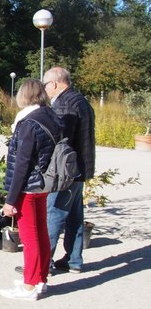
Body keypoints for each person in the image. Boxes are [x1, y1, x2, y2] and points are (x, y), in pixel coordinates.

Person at [0, 79, 63, 300]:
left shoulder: (28, 123)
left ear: (24, 95)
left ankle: (29, 286)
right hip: (43, 183)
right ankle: (40, 279)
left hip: (28, 186)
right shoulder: (50, 116)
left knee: (30, 237)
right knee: (41, 233)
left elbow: (22, 164)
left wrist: (10, 199)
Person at [41, 67, 96, 273]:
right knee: (74, 216)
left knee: (53, 214)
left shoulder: (63, 104)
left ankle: (43, 262)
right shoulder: (81, 100)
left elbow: (60, 138)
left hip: (65, 170)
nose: (45, 90)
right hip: (79, 168)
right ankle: (74, 260)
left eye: (45, 85)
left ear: (54, 84)